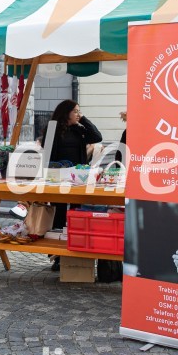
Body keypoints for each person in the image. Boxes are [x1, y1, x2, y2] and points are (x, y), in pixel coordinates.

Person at [41, 100, 102, 271]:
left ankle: (75, 249)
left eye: (79, 111)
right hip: (59, 178)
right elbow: (48, 154)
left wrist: (83, 120)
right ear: (66, 112)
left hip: (78, 179)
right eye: (75, 111)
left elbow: (97, 137)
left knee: (76, 214)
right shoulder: (53, 128)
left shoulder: (79, 129)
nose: (78, 113)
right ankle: (58, 256)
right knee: (59, 215)